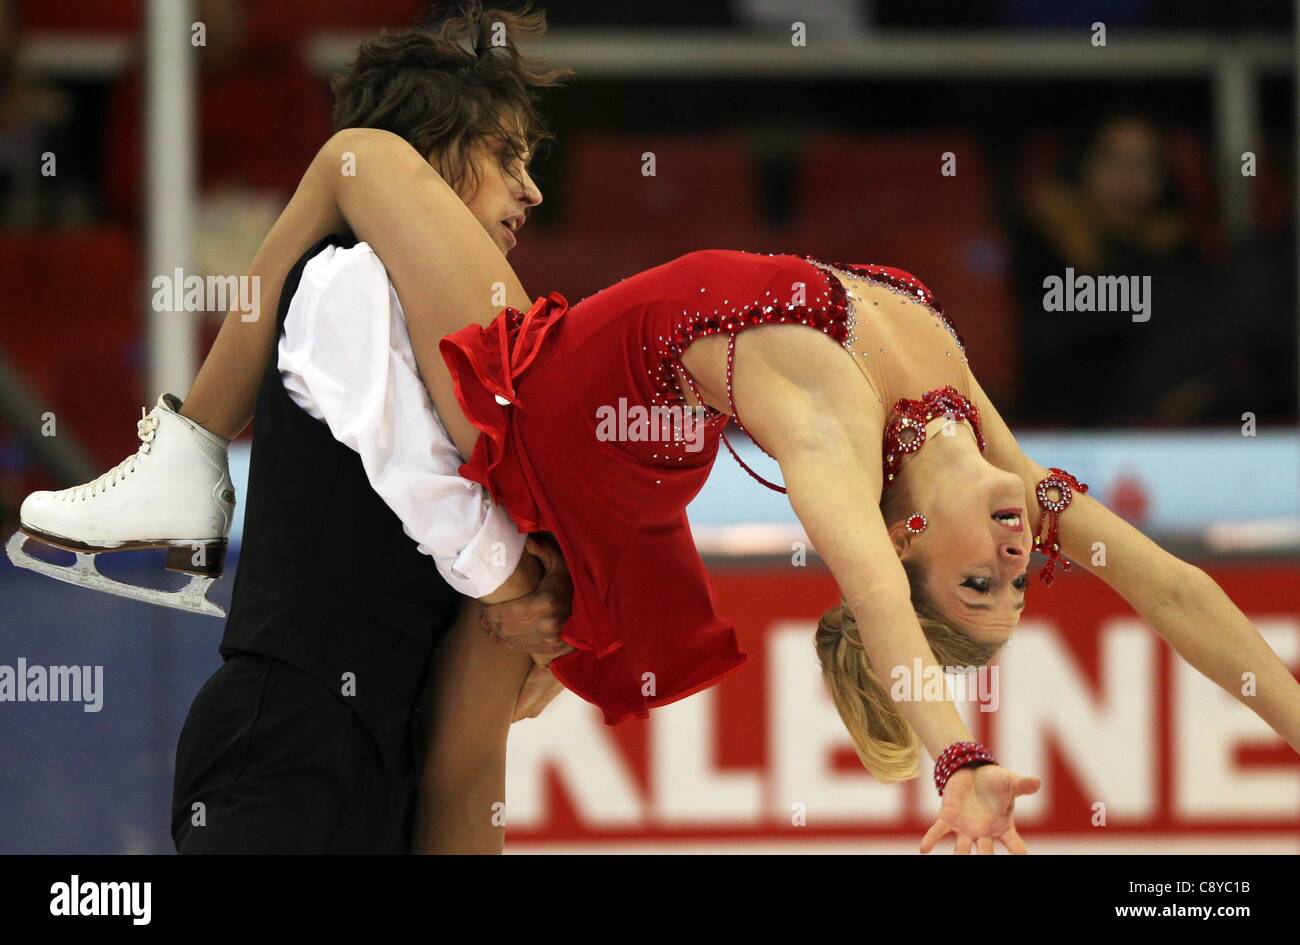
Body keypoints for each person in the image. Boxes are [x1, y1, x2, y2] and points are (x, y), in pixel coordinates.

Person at [244, 127, 1300, 855]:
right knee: (473, 728)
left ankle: (188, 452)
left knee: (360, 162)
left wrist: (961, 761)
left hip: (530, 412)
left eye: (981, 582)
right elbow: (1173, 592)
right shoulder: (998, 459)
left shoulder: (833, 439)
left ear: (910, 540)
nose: (1023, 559)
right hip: (617, 451)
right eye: (1023, 584)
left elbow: (878, 602)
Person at [13, 2, 574, 854]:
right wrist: (527, 590)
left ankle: (184, 456)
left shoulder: (456, 345)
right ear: (425, 166)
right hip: (287, 738)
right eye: (505, 157)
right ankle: (181, 456)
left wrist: (544, 607)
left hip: (380, 752)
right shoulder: (344, 277)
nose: (531, 190)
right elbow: (416, 479)